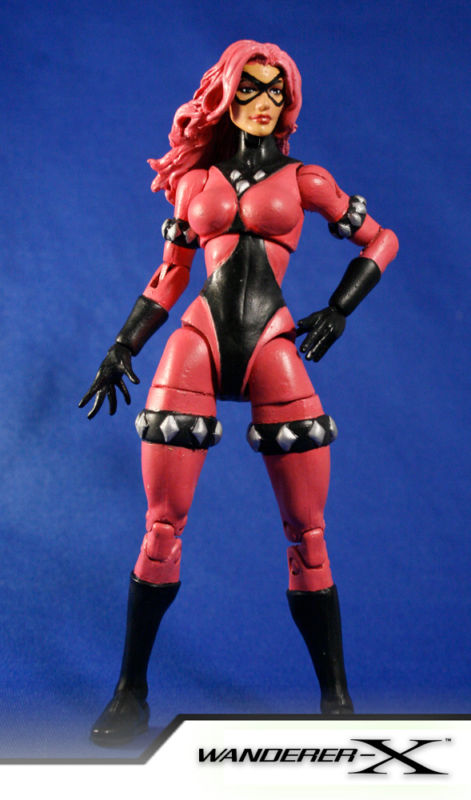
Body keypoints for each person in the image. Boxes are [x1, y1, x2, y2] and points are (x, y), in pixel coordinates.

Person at [79, 40, 398, 745]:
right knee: (161, 528)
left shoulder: (306, 179)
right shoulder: (195, 182)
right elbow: (170, 276)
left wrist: (339, 308)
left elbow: (380, 241)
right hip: (196, 342)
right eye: (249, 88)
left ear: (289, 102)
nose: (263, 102)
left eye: (276, 91)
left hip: (271, 345)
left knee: (308, 536)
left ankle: (337, 705)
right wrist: (122, 345)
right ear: (226, 94)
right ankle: (129, 693)